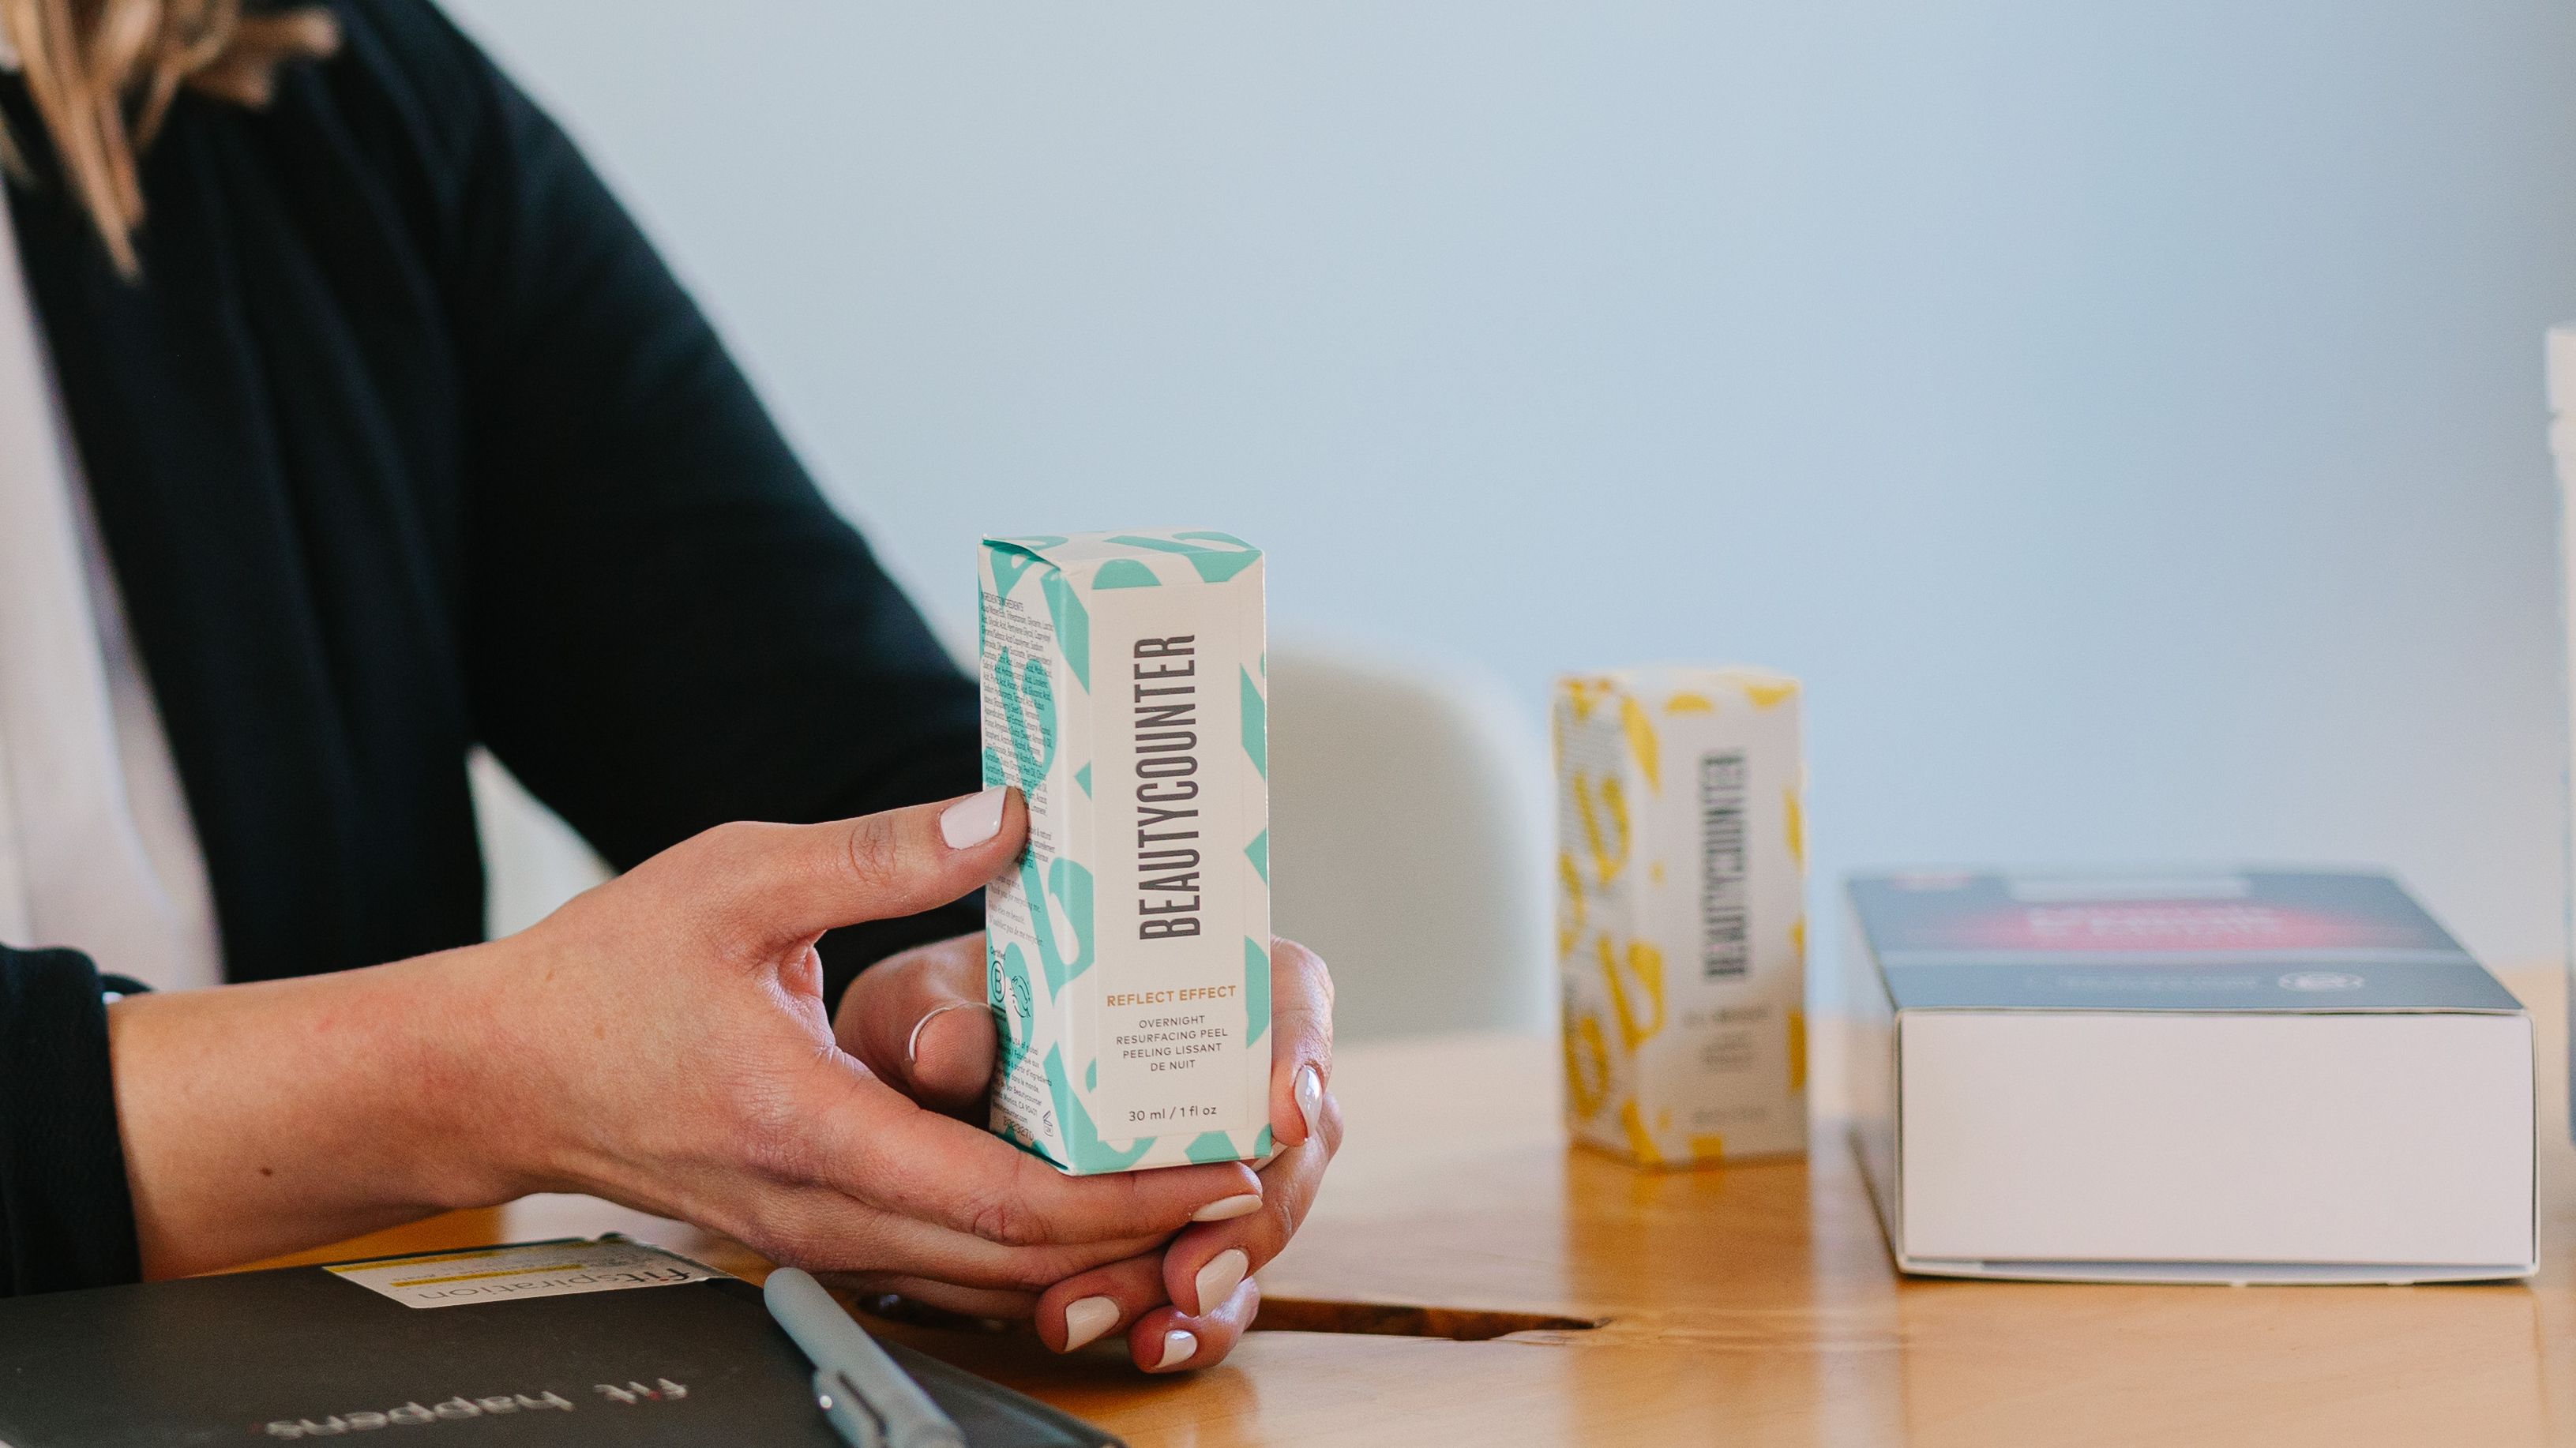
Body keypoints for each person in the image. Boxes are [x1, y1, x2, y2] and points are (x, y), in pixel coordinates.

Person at [0, 0, 1339, 1375]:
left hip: (336, 1380)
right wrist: (479, 1077)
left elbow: (832, 740)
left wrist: (987, 1025)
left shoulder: (302, 86)